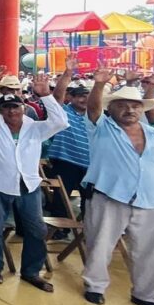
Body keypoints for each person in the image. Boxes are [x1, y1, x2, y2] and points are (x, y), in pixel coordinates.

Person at [0, 73, 67, 293]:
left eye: (15, 107)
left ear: (23, 107)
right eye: (6, 108)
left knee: (37, 230)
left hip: (29, 186)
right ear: (0, 110)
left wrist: (46, 95)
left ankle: (31, 272)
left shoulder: (35, 127)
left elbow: (61, 121)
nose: (11, 111)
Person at [80, 69, 154, 305]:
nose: (130, 110)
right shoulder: (101, 127)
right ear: (112, 109)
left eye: (135, 106)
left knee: (152, 249)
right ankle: (95, 286)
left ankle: (147, 295)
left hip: (149, 198)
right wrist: (99, 84)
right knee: (101, 244)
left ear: (142, 109)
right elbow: (93, 108)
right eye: (123, 106)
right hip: (109, 194)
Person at [45, 59, 91, 223]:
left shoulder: (95, 116)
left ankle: (87, 232)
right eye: (80, 96)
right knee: (60, 199)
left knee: (90, 202)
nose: (84, 99)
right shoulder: (63, 112)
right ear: (70, 97)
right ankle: (59, 231)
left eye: (88, 96)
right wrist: (68, 72)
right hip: (66, 162)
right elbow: (57, 96)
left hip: (90, 165)